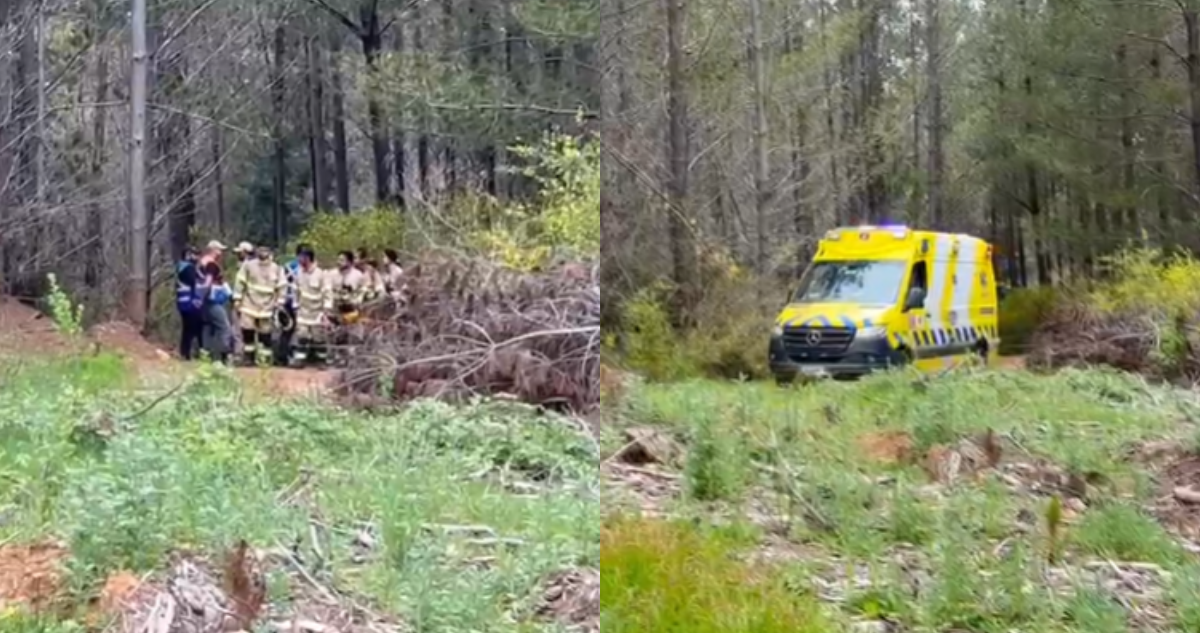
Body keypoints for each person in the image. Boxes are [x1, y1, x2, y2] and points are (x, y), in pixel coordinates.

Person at [233, 244, 286, 365]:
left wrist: (280, 302)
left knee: (265, 333)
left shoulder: (277, 269)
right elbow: (240, 282)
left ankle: (265, 359)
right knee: (247, 330)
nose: (263, 252)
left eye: (266, 249)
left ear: (270, 252)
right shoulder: (248, 266)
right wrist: (237, 299)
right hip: (249, 303)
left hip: (267, 306)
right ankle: (248, 358)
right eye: (261, 249)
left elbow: (282, 287)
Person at [291, 246, 333, 365]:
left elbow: (327, 292)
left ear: (308, 258)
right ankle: (300, 360)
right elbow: (295, 290)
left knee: (318, 337)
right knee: (302, 335)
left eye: (301, 256)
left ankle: (321, 360)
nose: (299, 259)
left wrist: (326, 311)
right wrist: (295, 305)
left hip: (317, 312)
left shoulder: (321, 274)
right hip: (303, 311)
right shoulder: (298, 273)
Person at [197, 240, 233, 363]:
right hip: (212, 301)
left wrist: (198, 299)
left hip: (203, 302)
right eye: (220, 250)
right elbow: (208, 282)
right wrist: (203, 296)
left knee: (207, 326)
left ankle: (205, 355)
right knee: (224, 327)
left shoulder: (201, 262)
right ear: (213, 250)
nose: (221, 252)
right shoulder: (211, 264)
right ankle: (224, 356)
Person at [175, 245, 203, 360]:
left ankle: (184, 353)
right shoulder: (188, 269)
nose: (197, 257)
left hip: (183, 302)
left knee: (187, 329)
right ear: (188, 255)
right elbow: (195, 283)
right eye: (195, 254)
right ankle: (191, 353)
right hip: (189, 303)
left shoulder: (181, 267)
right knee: (194, 328)